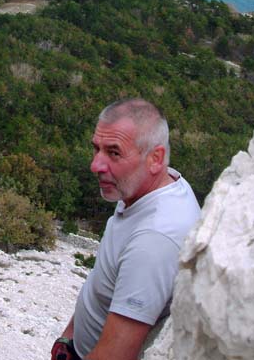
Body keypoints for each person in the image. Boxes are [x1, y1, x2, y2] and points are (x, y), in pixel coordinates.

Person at [51, 98, 201, 360]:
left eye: (114, 152)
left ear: (156, 158)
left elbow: (115, 355)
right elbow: (104, 279)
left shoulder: (155, 239)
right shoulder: (145, 187)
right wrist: (68, 339)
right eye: (96, 149)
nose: (95, 165)